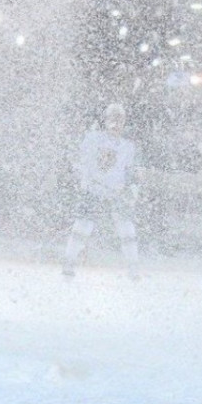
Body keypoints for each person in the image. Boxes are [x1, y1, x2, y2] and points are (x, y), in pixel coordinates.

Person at [62, 103, 141, 279]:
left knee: (126, 229)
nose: (116, 123)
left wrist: (131, 190)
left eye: (120, 119)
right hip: (94, 190)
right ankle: (69, 261)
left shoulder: (127, 147)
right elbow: (80, 160)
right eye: (113, 118)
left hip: (116, 193)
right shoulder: (92, 139)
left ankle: (133, 267)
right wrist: (84, 178)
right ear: (105, 120)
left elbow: (130, 172)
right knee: (82, 227)